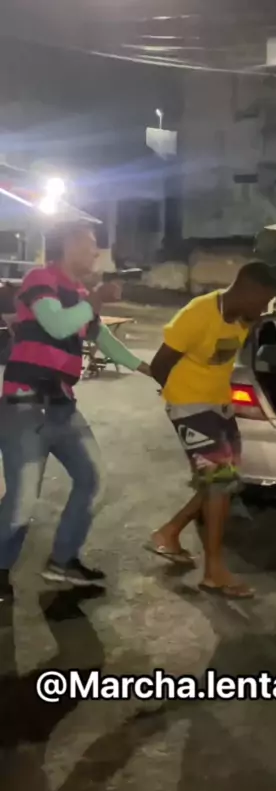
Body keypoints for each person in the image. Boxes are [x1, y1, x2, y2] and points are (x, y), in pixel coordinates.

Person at [0, 220, 151, 601]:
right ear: (66, 245)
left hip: (63, 407)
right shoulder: (40, 279)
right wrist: (95, 300)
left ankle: (63, 560)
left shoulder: (80, 293)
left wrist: (151, 370)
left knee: (93, 481)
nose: (95, 251)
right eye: (89, 243)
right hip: (25, 405)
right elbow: (56, 324)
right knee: (21, 503)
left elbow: (104, 340)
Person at [149, 262, 276, 599]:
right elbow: (160, 364)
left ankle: (169, 533)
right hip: (191, 406)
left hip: (219, 405)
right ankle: (214, 572)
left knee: (224, 480)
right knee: (218, 483)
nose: (263, 309)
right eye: (262, 301)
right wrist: (179, 401)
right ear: (247, 290)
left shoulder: (243, 318)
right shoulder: (198, 313)